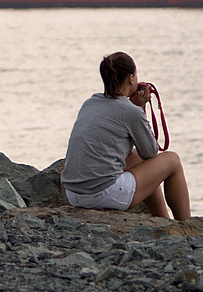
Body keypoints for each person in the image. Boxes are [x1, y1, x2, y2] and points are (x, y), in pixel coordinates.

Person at [61, 52, 191, 219]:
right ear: (131, 78)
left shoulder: (89, 103)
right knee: (172, 160)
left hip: (73, 194)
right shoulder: (130, 111)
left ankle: (163, 221)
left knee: (139, 160)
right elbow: (150, 152)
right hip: (102, 194)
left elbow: (121, 130)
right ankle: (186, 224)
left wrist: (133, 108)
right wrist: (139, 110)